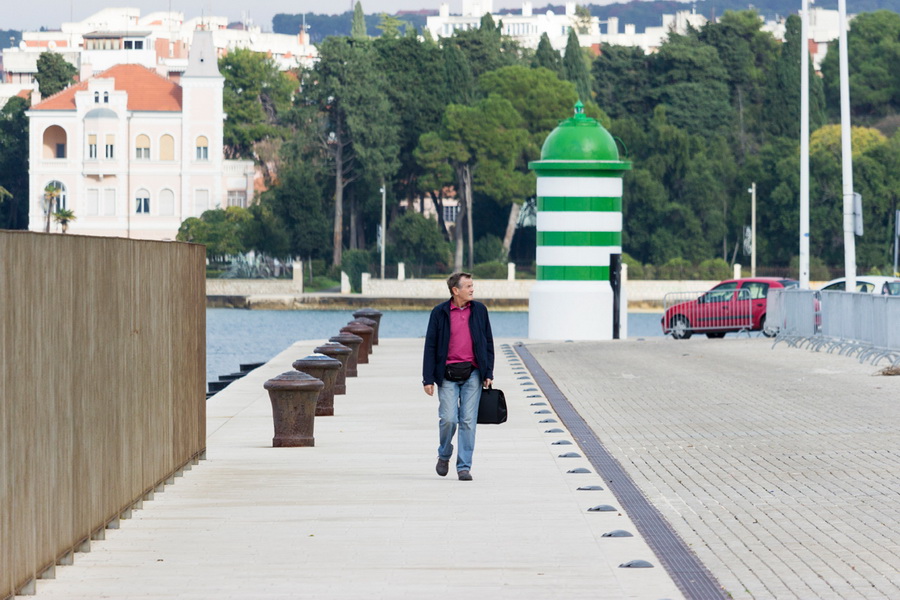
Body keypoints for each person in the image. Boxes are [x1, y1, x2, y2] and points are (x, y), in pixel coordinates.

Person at [422, 272, 494, 481]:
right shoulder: (439, 313)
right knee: (449, 419)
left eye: (473, 285)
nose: (472, 289)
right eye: (468, 286)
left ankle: (464, 466)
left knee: (468, 421)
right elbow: (431, 347)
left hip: (473, 373)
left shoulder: (480, 311)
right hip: (446, 374)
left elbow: (488, 341)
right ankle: (444, 454)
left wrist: (488, 371)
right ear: (455, 290)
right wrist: (427, 378)